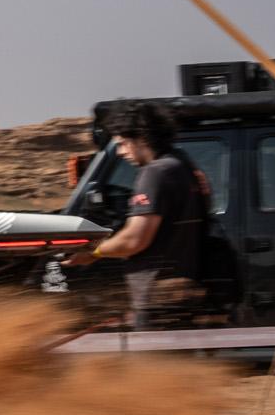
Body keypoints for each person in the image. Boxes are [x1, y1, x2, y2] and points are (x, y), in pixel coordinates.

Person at [72, 102, 214, 327]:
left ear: (141, 137)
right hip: (182, 292)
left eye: (123, 143)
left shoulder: (155, 173)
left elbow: (134, 239)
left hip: (159, 298)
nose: (121, 152)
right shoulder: (183, 164)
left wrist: (93, 252)